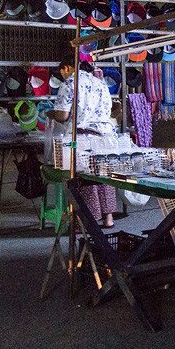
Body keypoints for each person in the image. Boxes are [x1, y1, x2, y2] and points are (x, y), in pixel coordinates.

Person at [47, 58, 118, 228]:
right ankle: (108, 218)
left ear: (66, 67)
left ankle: (88, 221)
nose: (62, 75)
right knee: (103, 177)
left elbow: (63, 116)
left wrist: (52, 114)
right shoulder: (100, 82)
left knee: (84, 180)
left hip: (82, 138)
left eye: (62, 71)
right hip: (106, 137)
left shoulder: (70, 82)